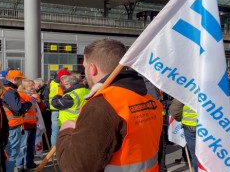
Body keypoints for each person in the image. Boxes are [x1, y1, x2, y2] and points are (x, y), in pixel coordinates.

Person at [56, 39, 163, 171]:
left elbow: (76, 167)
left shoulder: (102, 105)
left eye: (85, 66)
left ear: (93, 68)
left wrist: (66, 130)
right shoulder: (149, 99)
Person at [1, 70, 33, 172]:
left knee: (8, 153)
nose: (21, 82)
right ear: (15, 80)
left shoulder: (3, 89)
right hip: (12, 125)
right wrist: (28, 104)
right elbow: (17, 108)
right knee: (12, 153)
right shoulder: (9, 91)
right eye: (21, 80)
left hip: (8, 125)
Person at [169, 99, 198, 172]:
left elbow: (175, 109)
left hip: (190, 126)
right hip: (208, 126)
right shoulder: (213, 88)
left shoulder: (186, 88)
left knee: (195, 155)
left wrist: (180, 119)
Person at [45, 68, 70, 148]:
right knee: (61, 130)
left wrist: (48, 106)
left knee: (56, 130)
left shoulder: (51, 83)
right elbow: (46, 95)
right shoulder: (66, 84)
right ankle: (56, 150)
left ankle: (54, 150)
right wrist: (48, 106)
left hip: (57, 109)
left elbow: (46, 95)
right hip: (60, 109)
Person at [16, 79, 38, 171]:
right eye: (30, 86)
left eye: (33, 85)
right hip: (25, 124)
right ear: (24, 87)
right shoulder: (21, 95)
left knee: (30, 145)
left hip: (32, 123)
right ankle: (20, 165)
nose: (33, 87)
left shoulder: (33, 95)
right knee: (23, 146)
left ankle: (29, 162)